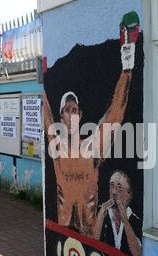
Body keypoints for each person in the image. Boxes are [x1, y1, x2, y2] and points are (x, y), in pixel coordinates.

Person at [43, 11, 140, 238]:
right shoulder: (57, 147)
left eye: (75, 109)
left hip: (89, 236)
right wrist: (43, 76)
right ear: (61, 118)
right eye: (67, 110)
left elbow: (115, 114)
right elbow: (46, 112)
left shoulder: (92, 146)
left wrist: (127, 62)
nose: (71, 114)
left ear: (81, 113)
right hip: (63, 233)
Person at [93, 170, 142, 256]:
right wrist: (101, 214)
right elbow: (92, 242)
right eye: (112, 186)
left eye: (119, 188)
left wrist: (124, 219)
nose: (114, 192)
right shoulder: (101, 212)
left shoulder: (135, 220)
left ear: (129, 194)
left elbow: (137, 254)